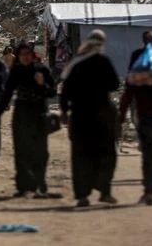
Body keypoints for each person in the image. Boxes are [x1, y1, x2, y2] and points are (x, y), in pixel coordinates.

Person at [60, 30, 120, 208]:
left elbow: (65, 91)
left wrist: (64, 112)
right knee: (106, 154)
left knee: (81, 156)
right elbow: (115, 84)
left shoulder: (76, 63)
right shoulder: (104, 61)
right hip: (102, 115)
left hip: (80, 116)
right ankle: (105, 191)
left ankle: (82, 195)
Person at [0, 42, 56, 197]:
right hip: (21, 115)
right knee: (21, 152)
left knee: (41, 152)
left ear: (32, 55)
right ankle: (24, 186)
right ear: (18, 56)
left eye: (27, 54)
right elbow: (7, 94)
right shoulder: (16, 71)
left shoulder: (41, 70)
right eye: (22, 55)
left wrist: (42, 85)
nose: (25, 57)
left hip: (39, 114)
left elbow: (52, 92)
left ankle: (39, 182)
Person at [119, 38, 152, 206]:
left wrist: (121, 116)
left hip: (144, 118)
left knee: (148, 155)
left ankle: (148, 191)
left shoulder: (136, 74)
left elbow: (127, 96)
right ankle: (151, 190)